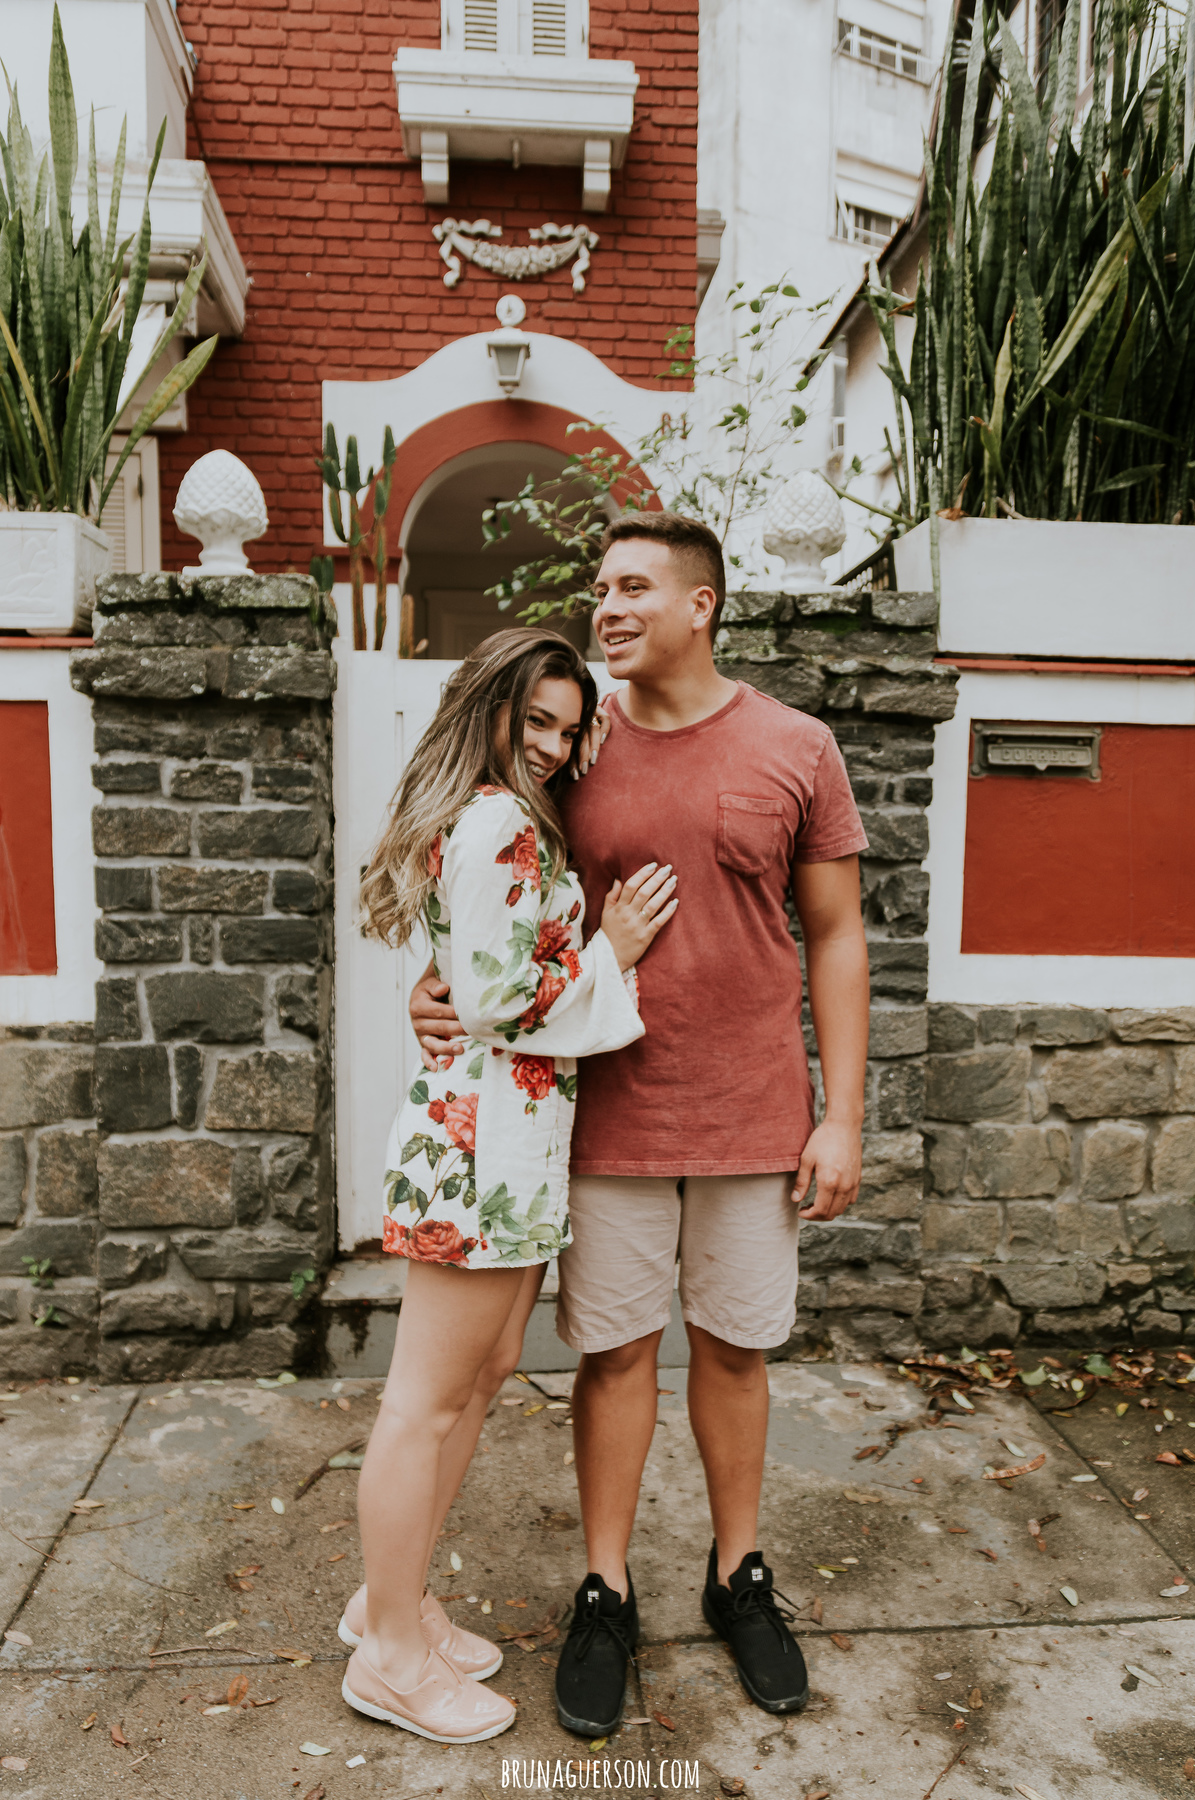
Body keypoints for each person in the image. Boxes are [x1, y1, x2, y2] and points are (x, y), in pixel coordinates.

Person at [411, 512, 870, 1737]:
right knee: (613, 1356)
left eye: (630, 587)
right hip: (603, 1114)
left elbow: (836, 932)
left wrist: (844, 1114)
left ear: (701, 604)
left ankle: (737, 1577)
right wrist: (438, 977)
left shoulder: (797, 744)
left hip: (755, 1110)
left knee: (734, 1348)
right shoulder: (574, 749)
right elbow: (481, 878)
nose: (605, 606)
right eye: (599, 586)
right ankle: (605, 1589)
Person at [343, 627, 678, 1745]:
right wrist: (613, 954)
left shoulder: (507, 816)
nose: (550, 745)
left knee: (476, 1383)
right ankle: (388, 1652)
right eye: (533, 719)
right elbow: (500, 1004)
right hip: (480, 1143)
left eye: (568, 729)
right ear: (487, 705)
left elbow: (478, 985)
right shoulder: (497, 824)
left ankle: (395, 1602)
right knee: (424, 1403)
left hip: (509, 1141)